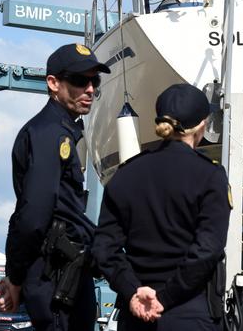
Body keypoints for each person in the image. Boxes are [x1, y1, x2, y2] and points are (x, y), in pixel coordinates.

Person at [92, 83, 231, 330]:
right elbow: (207, 250)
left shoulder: (126, 174)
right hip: (190, 313)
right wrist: (164, 298)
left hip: (136, 312)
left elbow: (105, 248)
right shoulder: (210, 175)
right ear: (202, 125)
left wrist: (132, 291)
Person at [0, 43, 110, 331]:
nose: (90, 89)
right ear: (53, 83)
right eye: (80, 80)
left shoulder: (61, 131)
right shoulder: (50, 134)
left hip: (64, 270)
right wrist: (16, 277)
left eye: (94, 81)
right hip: (55, 274)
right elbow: (33, 214)